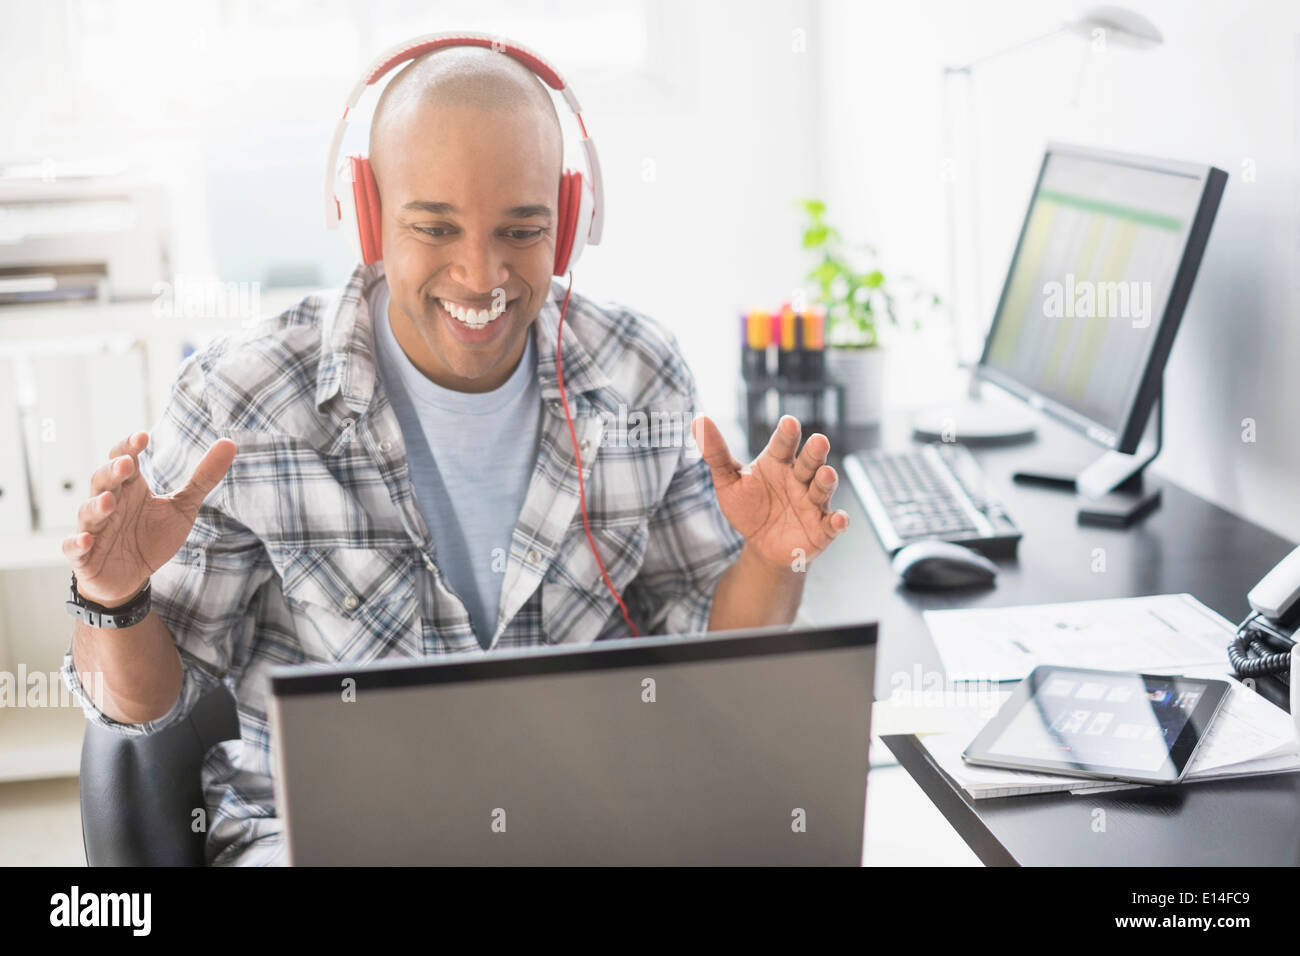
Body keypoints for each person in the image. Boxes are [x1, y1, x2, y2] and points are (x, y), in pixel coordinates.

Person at [61, 41, 850, 865]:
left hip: (578, 818)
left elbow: (712, 653)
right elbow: (147, 711)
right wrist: (112, 600)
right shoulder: (245, 397)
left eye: (522, 229)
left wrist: (770, 555)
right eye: (434, 227)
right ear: (367, 216)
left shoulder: (636, 374)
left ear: (569, 222)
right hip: (326, 841)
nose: (483, 276)